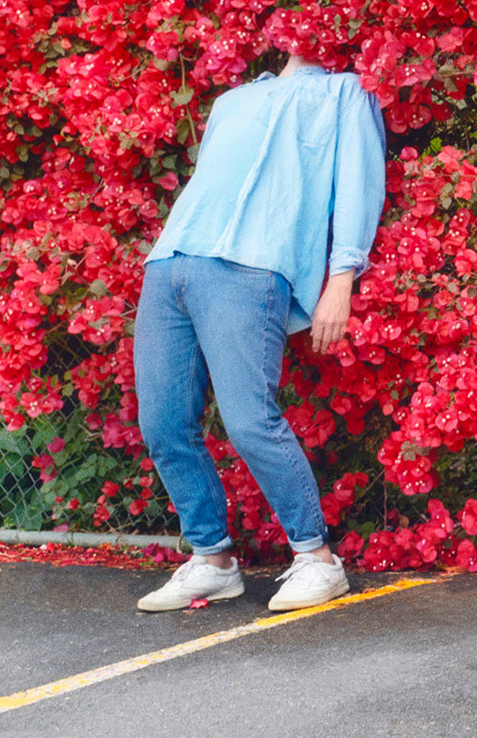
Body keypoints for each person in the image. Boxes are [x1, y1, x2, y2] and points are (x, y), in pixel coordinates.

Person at [132, 50, 386, 613]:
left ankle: (318, 559)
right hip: (170, 261)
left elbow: (358, 187)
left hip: (251, 268)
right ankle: (212, 560)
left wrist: (341, 279)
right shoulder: (233, 100)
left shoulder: (348, 92)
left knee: (251, 420)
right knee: (163, 423)